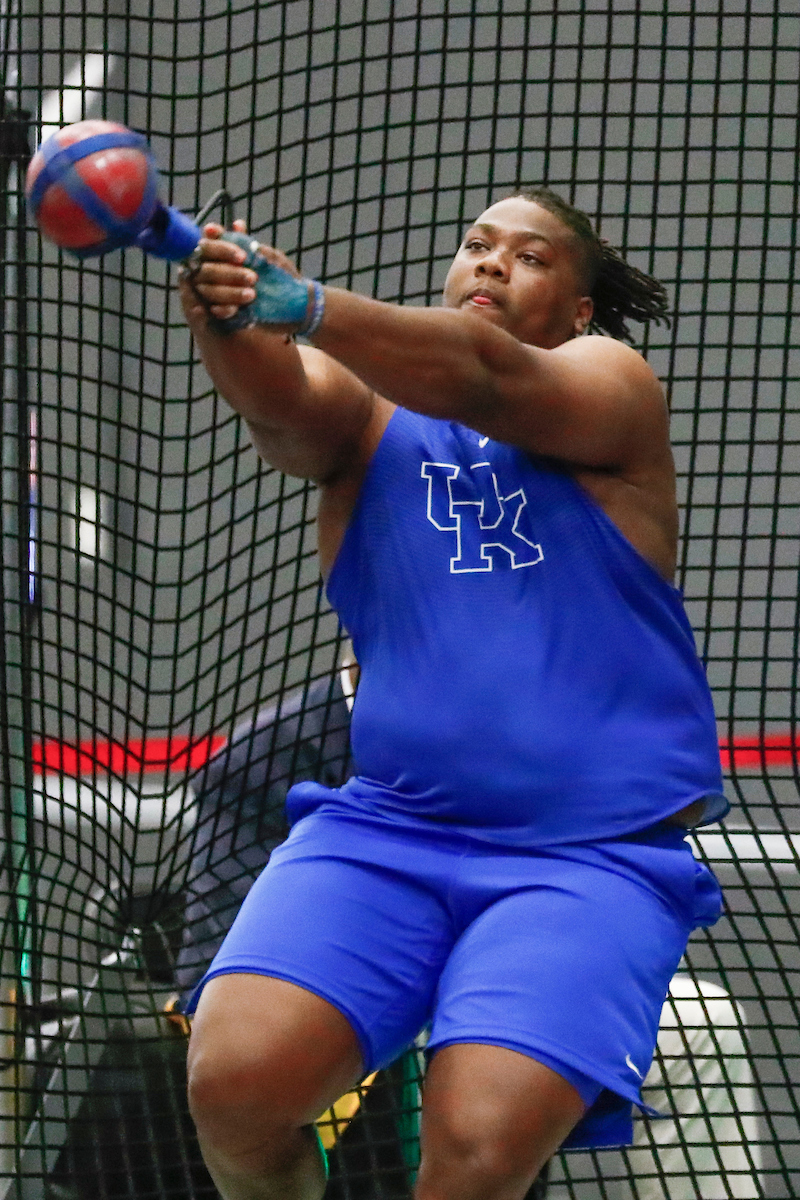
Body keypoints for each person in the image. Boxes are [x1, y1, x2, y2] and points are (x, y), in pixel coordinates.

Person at [177, 186, 729, 1200]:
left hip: (584, 857)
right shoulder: (369, 416)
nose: (489, 263)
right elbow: (282, 407)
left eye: (527, 256)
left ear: (574, 310)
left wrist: (301, 304)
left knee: (474, 1151)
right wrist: (229, 315)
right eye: (476, 245)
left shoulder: (609, 382)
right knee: (234, 1084)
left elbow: (482, 376)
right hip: (388, 830)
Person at [176, 677, 760, 1200]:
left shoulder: (545, 727)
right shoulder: (266, 757)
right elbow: (208, 973)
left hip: (519, 993)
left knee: (701, 1023)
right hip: (355, 1017)